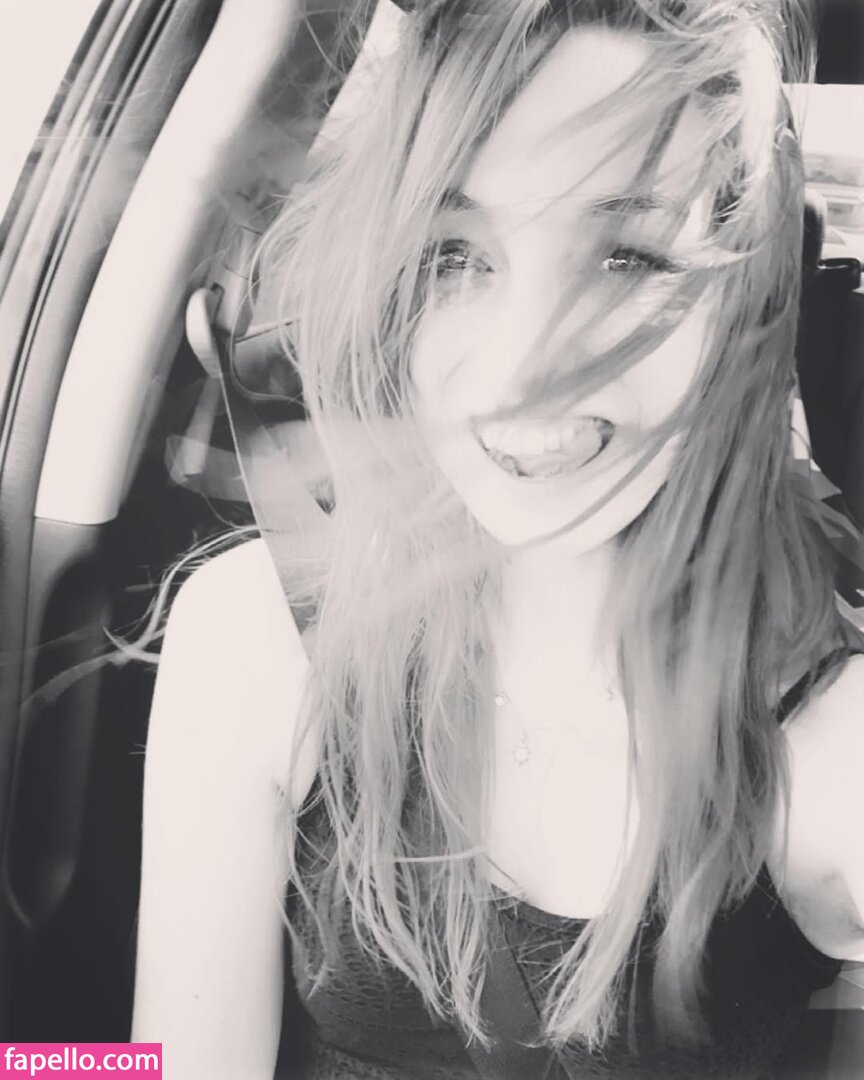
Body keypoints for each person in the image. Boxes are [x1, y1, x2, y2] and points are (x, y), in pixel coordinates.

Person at [130, 1, 864, 1078]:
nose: (520, 367)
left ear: (745, 307)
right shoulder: (260, 640)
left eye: (627, 256)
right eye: (454, 256)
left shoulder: (831, 744)